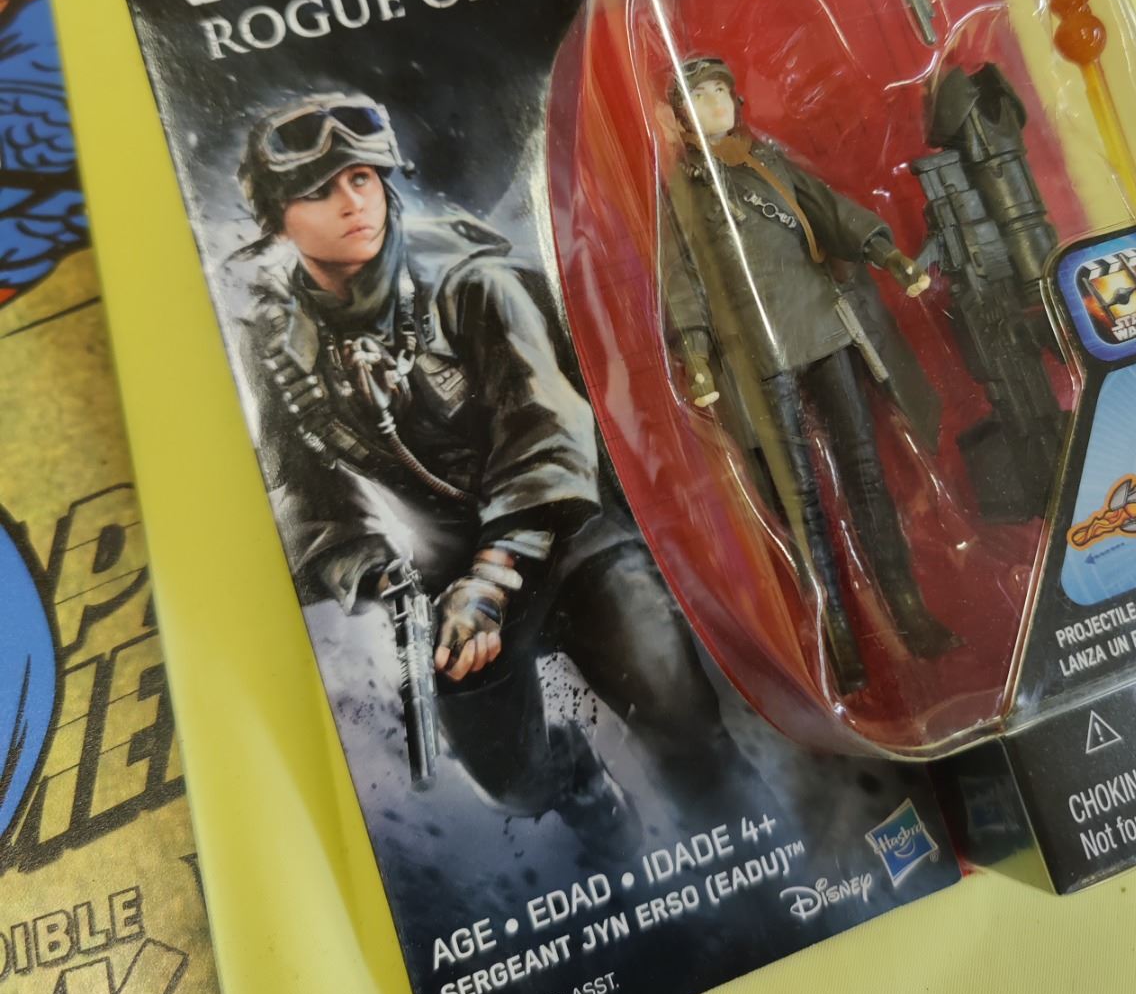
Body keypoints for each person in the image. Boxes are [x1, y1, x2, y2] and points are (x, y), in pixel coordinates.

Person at [235, 91, 756, 850]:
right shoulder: (277, 340)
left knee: (675, 707)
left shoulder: (470, 280)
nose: (352, 203)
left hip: (568, 529)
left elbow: (546, 434)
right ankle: (584, 795)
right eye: (319, 191)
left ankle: (747, 843)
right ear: (279, 218)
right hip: (449, 577)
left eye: (362, 178)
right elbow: (302, 497)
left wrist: (492, 577)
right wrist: (380, 578)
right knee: (509, 781)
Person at [661, 56, 961, 696]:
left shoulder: (768, 163)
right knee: (798, 499)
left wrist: (888, 254)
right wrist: (695, 354)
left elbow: (832, 211)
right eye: (698, 97)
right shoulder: (682, 192)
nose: (713, 104)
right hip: (756, 352)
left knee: (865, 470)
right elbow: (681, 278)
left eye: (720, 92)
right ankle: (838, 634)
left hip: (823, 327)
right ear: (681, 115)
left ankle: (908, 608)